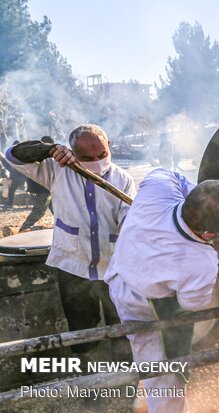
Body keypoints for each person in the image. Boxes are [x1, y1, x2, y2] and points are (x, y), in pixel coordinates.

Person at [105, 168, 219, 413]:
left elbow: (165, 173)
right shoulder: (199, 262)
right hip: (144, 304)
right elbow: (192, 303)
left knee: (146, 357)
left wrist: (206, 209)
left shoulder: (158, 190)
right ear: (209, 234)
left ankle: (148, 399)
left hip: (120, 275)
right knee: (164, 370)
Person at [4, 124, 136, 364]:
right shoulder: (57, 170)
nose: (96, 162)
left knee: (120, 324)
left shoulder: (122, 179)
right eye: (87, 158)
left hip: (113, 266)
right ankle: (90, 380)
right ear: (73, 153)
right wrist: (49, 150)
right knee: (81, 327)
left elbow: (129, 220)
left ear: (109, 149)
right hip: (73, 264)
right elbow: (12, 155)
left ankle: (122, 376)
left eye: (102, 155)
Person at [19, 136, 54, 232]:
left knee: (57, 208)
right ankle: (24, 228)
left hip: (48, 187)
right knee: (39, 210)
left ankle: (62, 226)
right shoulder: (41, 154)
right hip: (43, 188)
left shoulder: (38, 153)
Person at [1, 140, 27, 208]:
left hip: (19, 177)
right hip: (21, 177)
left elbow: (6, 162)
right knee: (10, 188)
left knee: (11, 189)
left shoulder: (17, 155)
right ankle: (9, 203)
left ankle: (9, 204)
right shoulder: (20, 154)